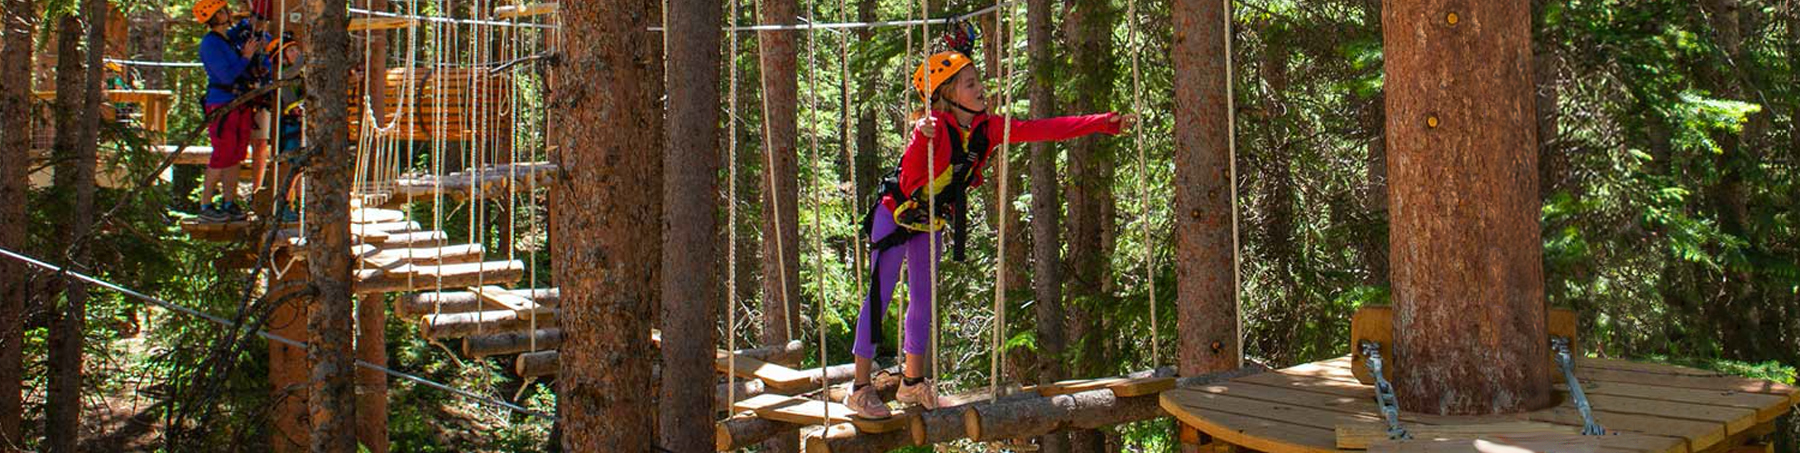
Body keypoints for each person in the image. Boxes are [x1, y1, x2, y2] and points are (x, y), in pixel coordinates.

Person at [843, 26, 1136, 419]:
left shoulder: (988, 129)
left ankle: (912, 384)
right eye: (969, 83)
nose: (980, 88)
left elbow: (1042, 129)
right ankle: (860, 389)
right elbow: (912, 177)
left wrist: (1102, 122)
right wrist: (919, 137)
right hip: (894, 217)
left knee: (923, 302)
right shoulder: (931, 133)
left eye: (978, 80)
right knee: (878, 298)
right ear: (948, 95)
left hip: (930, 222)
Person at [195, 0, 265, 222]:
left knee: (236, 154)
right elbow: (226, 75)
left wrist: (253, 20)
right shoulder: (210, 44)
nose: (228, 12)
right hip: (222, 104)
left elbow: (243, 29)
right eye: (223, 10)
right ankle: (205, 205)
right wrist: (245, 57)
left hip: (239, 103)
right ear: (215, 16)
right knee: (222, 154)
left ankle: (228, 202)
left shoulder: (226, 39)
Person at [266, 32, 305, 223]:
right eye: (290, 50)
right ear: (282, 57)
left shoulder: (299, 74)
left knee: (301, 169)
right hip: (290, 127)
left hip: (301, 125)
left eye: (297, 49)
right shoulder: (284, 75)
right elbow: (291, 104)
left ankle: (298, 205)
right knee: (292, 168)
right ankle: (285, 206)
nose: (296, 53)